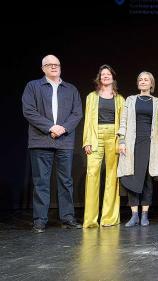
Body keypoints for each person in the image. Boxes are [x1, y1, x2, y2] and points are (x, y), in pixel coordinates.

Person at [22, 54, 83, 233]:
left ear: (60, 67)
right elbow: (29, 111)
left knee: (66, 181)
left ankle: (67, 218)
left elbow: (77, 113)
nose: (53, 67)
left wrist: (62, 128)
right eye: (49, 65)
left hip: (64, 141)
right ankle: (40, 220)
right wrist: (50, 127)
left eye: (56, 64)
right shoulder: (33, 86)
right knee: (41, 182)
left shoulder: (70, 89)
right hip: (40, 140)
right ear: (43, 68)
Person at [117, 71, 158, 227]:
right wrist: (121, 140)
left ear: (151, 84)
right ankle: (134, 215)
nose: (143, 82)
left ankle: (144, 215)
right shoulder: (130, 99)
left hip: (150, 144)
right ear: (138, 83)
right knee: (131, 177)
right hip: (131, 143)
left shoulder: (157, 102)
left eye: (146, 80)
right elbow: (123, 121)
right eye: (140, 79)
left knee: (147, 180)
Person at [82, 64, 125, 228]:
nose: (105, 76)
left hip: (113, 137)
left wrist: (121, 142)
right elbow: (87, 121)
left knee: (113, 176)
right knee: (92, 175)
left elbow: (122, 123)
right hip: (95, 136)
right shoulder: (91, 97)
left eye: (108, 74)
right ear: (99, 78)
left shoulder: (119, 99)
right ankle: (91, 220)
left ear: (113, 78)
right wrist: (86, 141)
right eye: (103, 75)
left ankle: (109, 218)